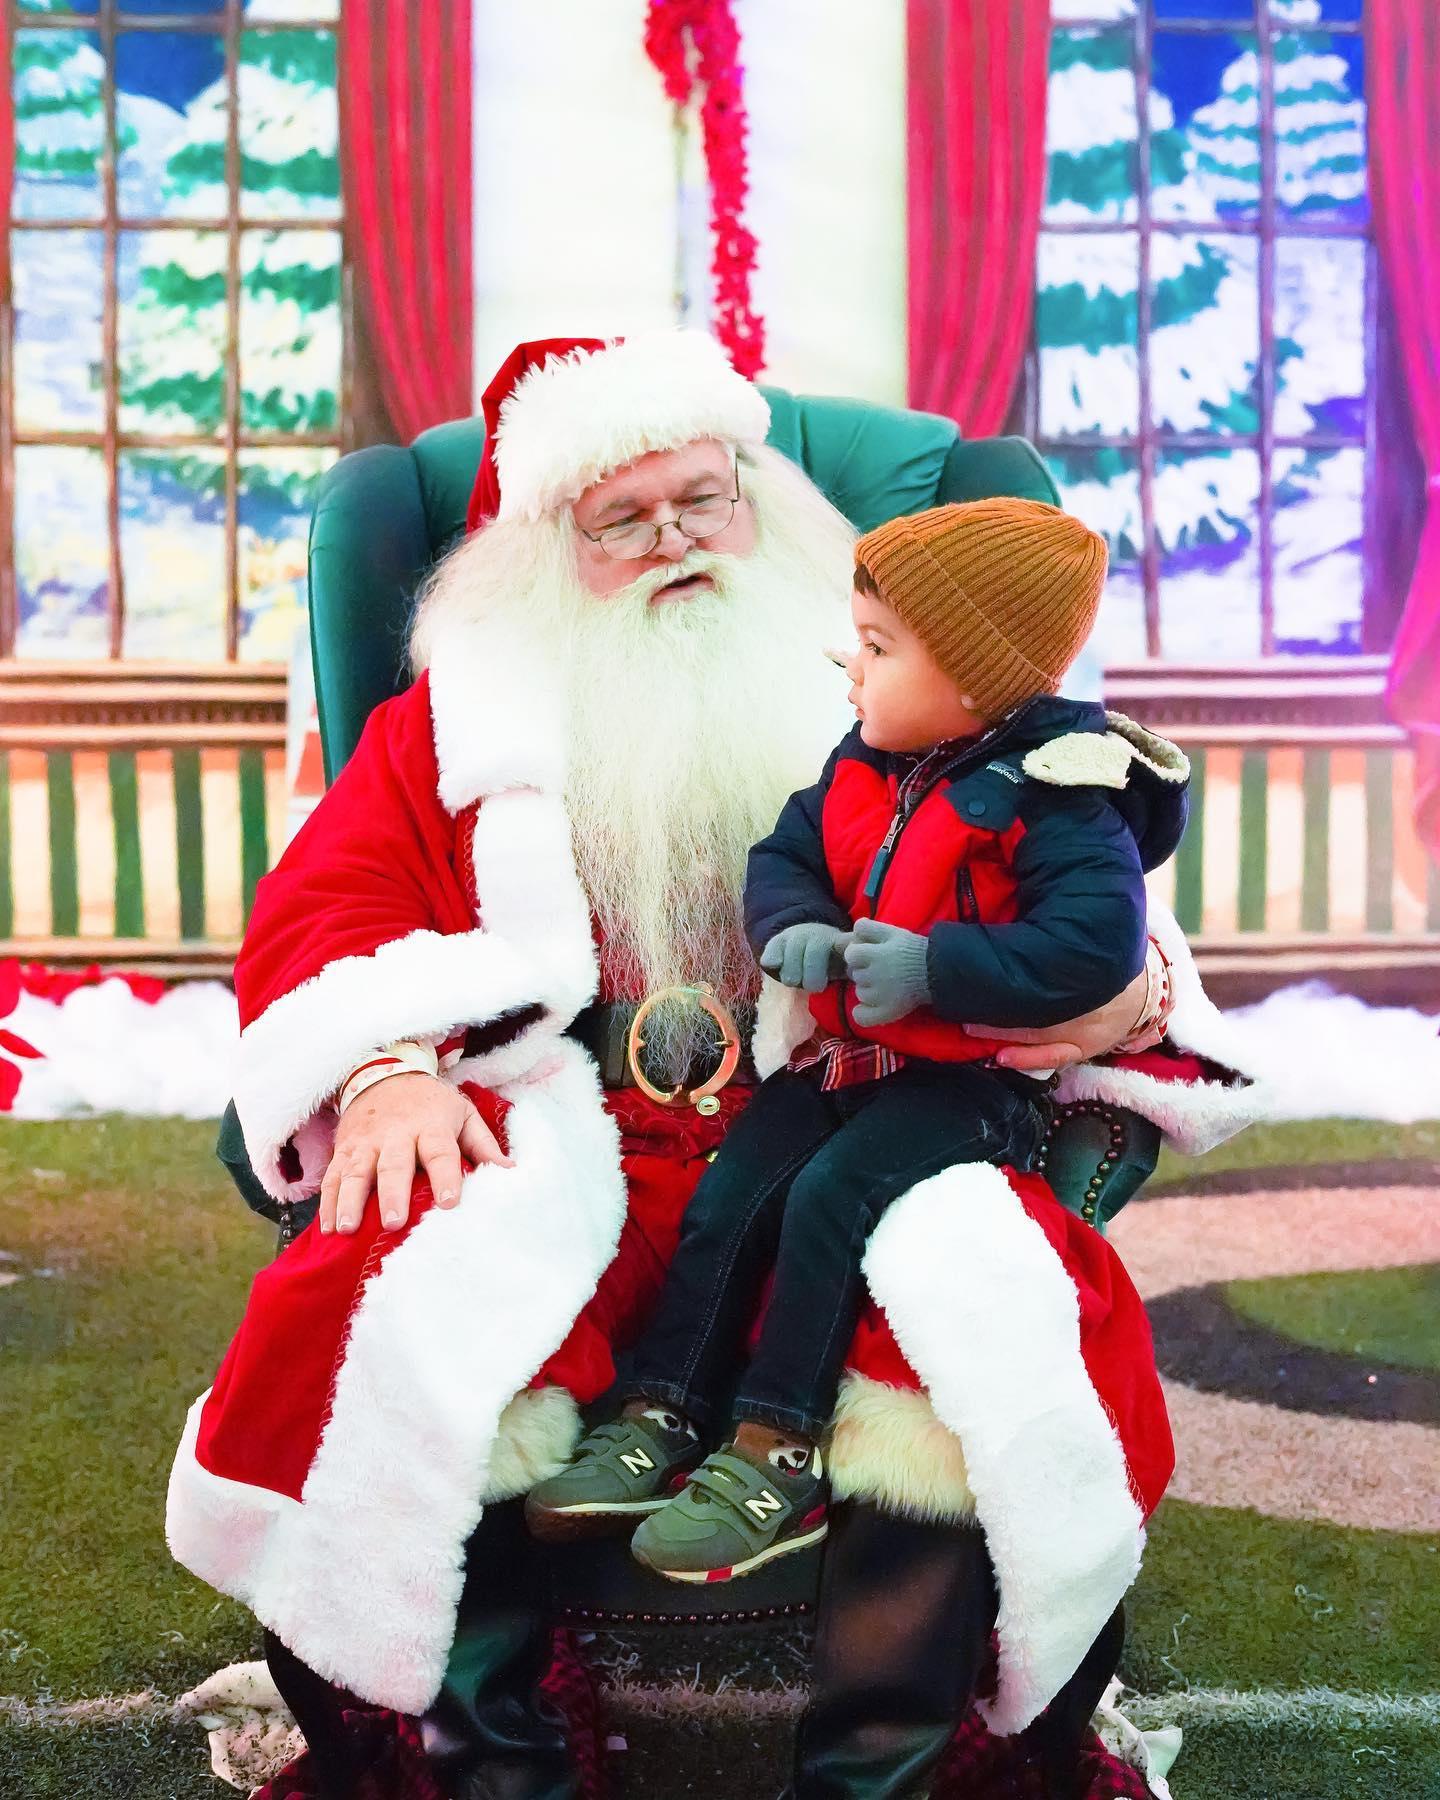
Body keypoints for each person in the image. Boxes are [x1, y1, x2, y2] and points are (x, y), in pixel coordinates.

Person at [167, 330, 1252, 1800]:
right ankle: (475, 1766)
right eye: (624, 520)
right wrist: (385, 1071)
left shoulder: (900, 697)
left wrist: (1118, 1001)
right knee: (378, 1287)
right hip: (559, 1128)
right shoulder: (454, 725)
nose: (679, 540)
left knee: (988, 1295)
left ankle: (893, 1770)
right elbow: (330, 912)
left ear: (761, 498)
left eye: (706, 498)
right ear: (549, 548)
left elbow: (1087, 905)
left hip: (830, 1118)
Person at [523, 496, 1190, 1590]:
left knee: (831, 1201)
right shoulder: (873, 755)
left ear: (973, 677)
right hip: (842, 1063)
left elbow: (1091, 947)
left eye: (878, 646)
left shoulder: (1067, 796)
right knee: (735, 1190)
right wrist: (790, 926)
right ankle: (662, 1409)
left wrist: (939, 968)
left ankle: (774, 1453)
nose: (851, 662)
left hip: (965, 1086)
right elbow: (783, 849)